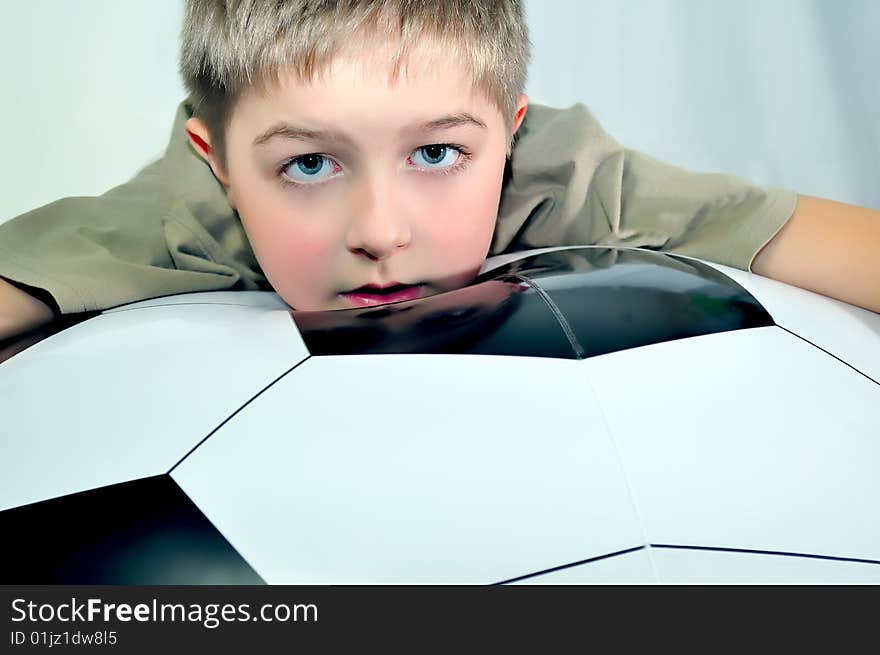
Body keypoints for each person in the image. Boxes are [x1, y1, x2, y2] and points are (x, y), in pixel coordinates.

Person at [0, 0, 877, 344]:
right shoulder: (175, 220)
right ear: (218, 164)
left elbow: (829, 241)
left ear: (509, 138)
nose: (381, 230)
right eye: (309, 163)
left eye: (437, 154)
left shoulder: (558, 175)